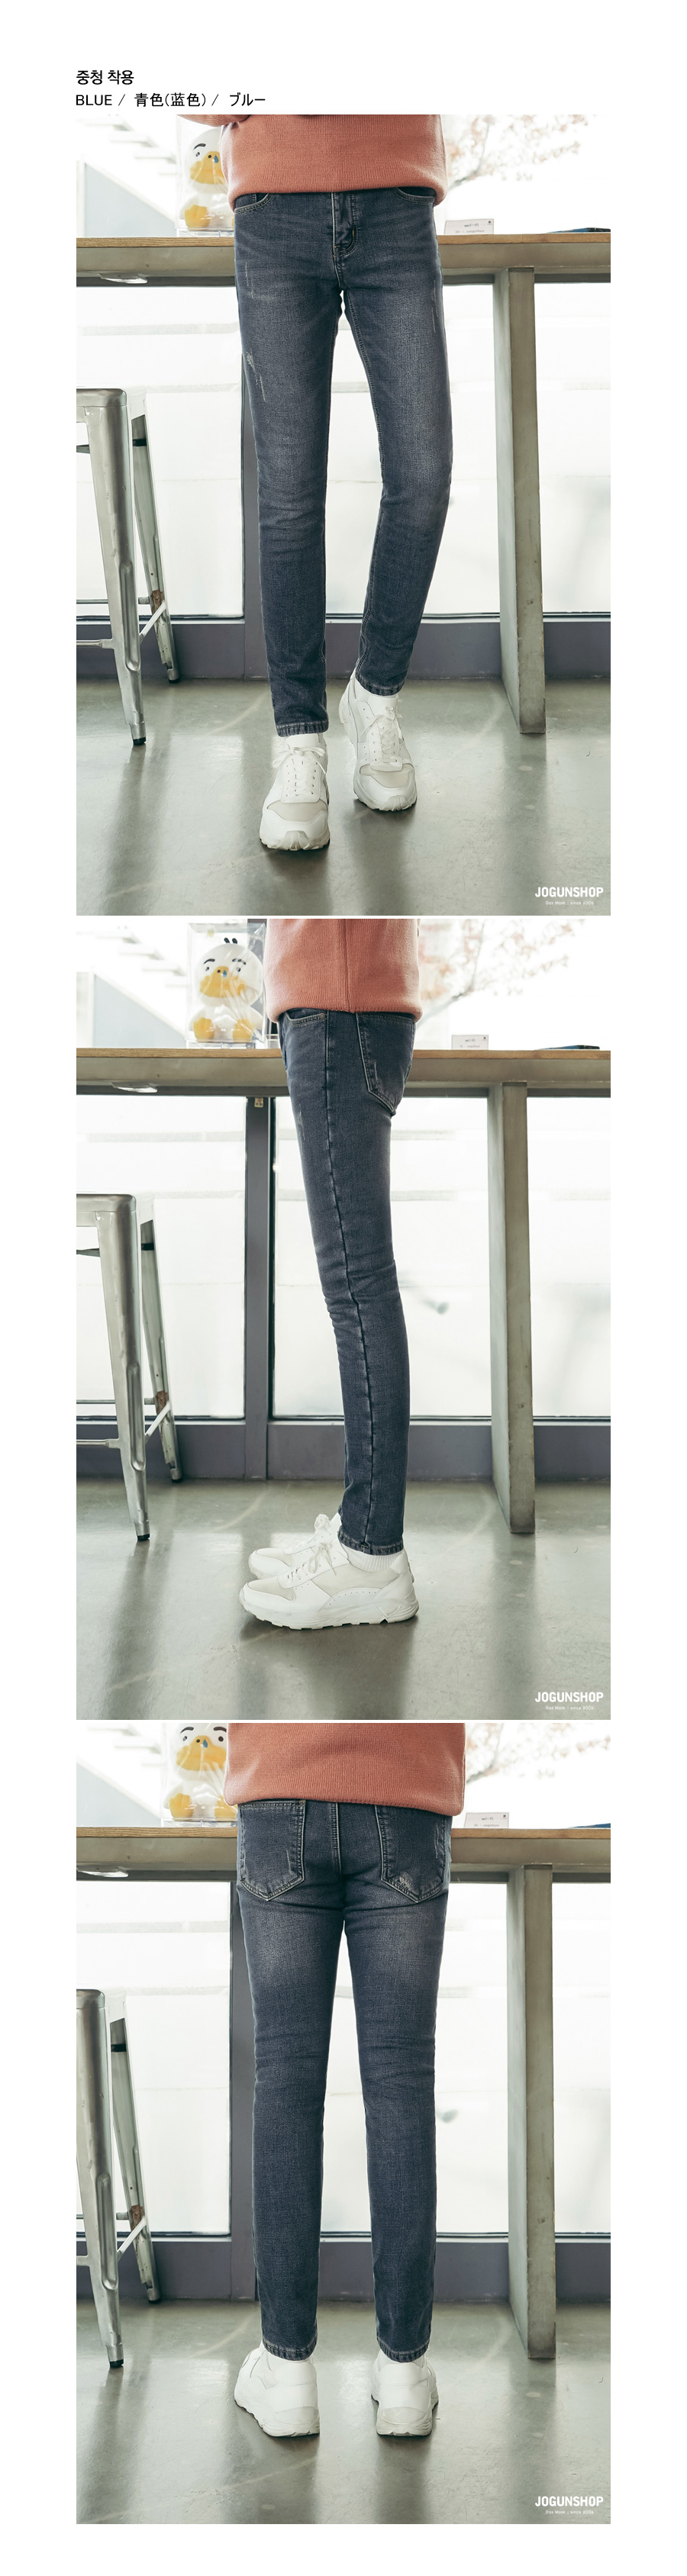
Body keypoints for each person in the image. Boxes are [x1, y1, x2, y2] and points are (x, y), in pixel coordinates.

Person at [191, 114, 453, 850]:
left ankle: (374, 698)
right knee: (290, 496)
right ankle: (299, 741)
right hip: (273, 208)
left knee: (424, 474)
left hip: (396, 199)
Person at [225, 1718, 466, 2440]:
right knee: (402, 2085)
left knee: (286, 2082)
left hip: (280, 1793)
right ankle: (404, 2376)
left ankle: (286, 2372)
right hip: (408, 1797)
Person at [240, 916, 421, 1631]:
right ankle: (361, 1530)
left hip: (338, 1008)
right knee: (360, 1286)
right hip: (346, 1008)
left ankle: (372, 1555)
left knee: (358, 1288)